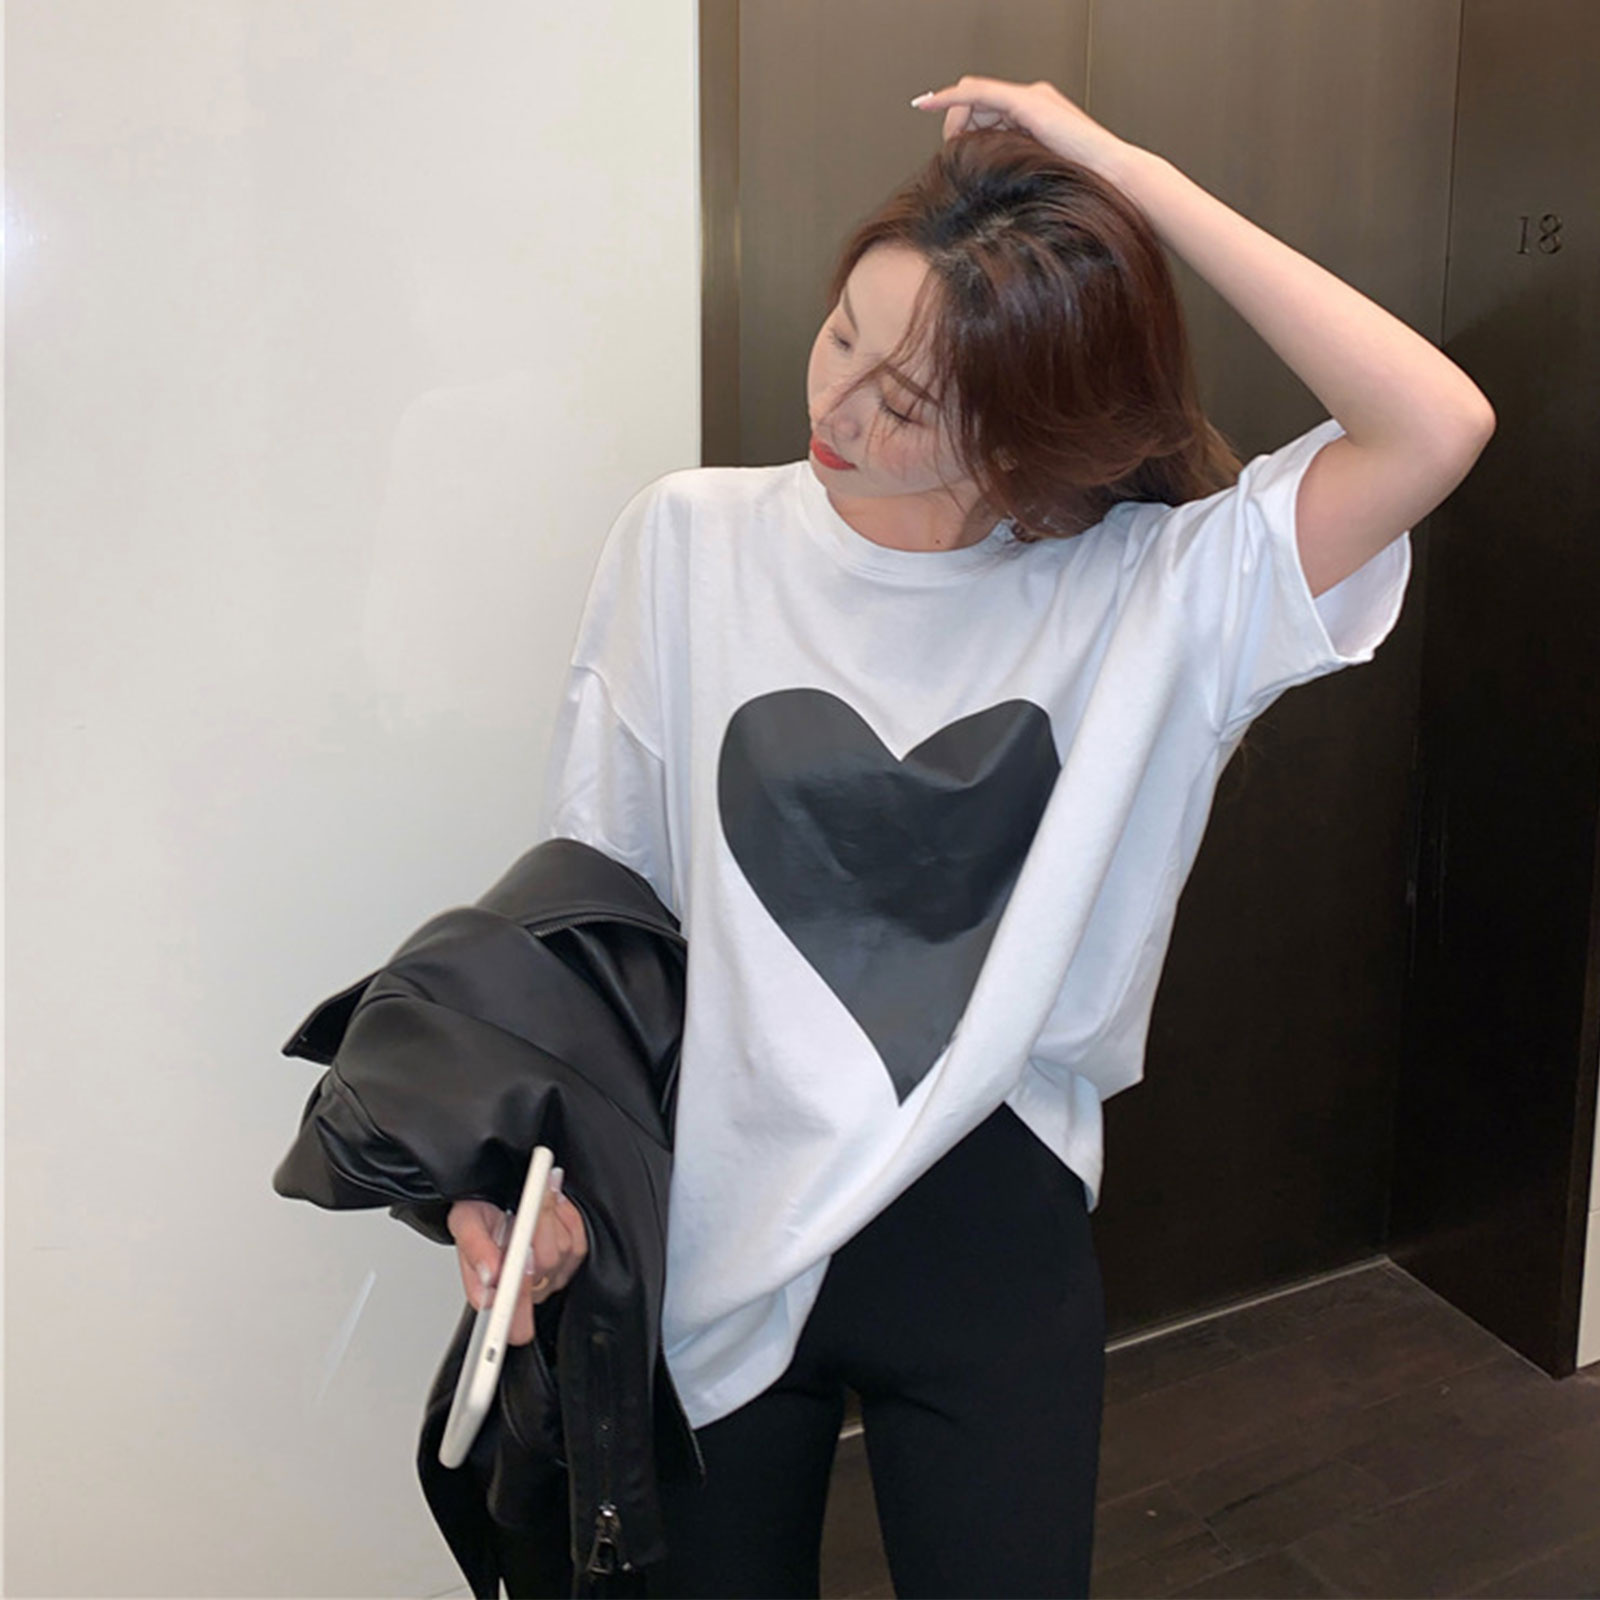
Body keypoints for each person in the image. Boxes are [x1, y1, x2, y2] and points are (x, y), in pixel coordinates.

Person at [443, 75, 1495, 1599]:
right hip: (718, 1202)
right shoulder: (688, 539)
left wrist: (1123, 166)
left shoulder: (1160, 591)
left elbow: (1437, 423)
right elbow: (601, 890)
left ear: (1029, 427)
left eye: (911, 401)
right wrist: (533, 1171)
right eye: (841, 338)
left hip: (987, 1219)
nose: (839, 411)